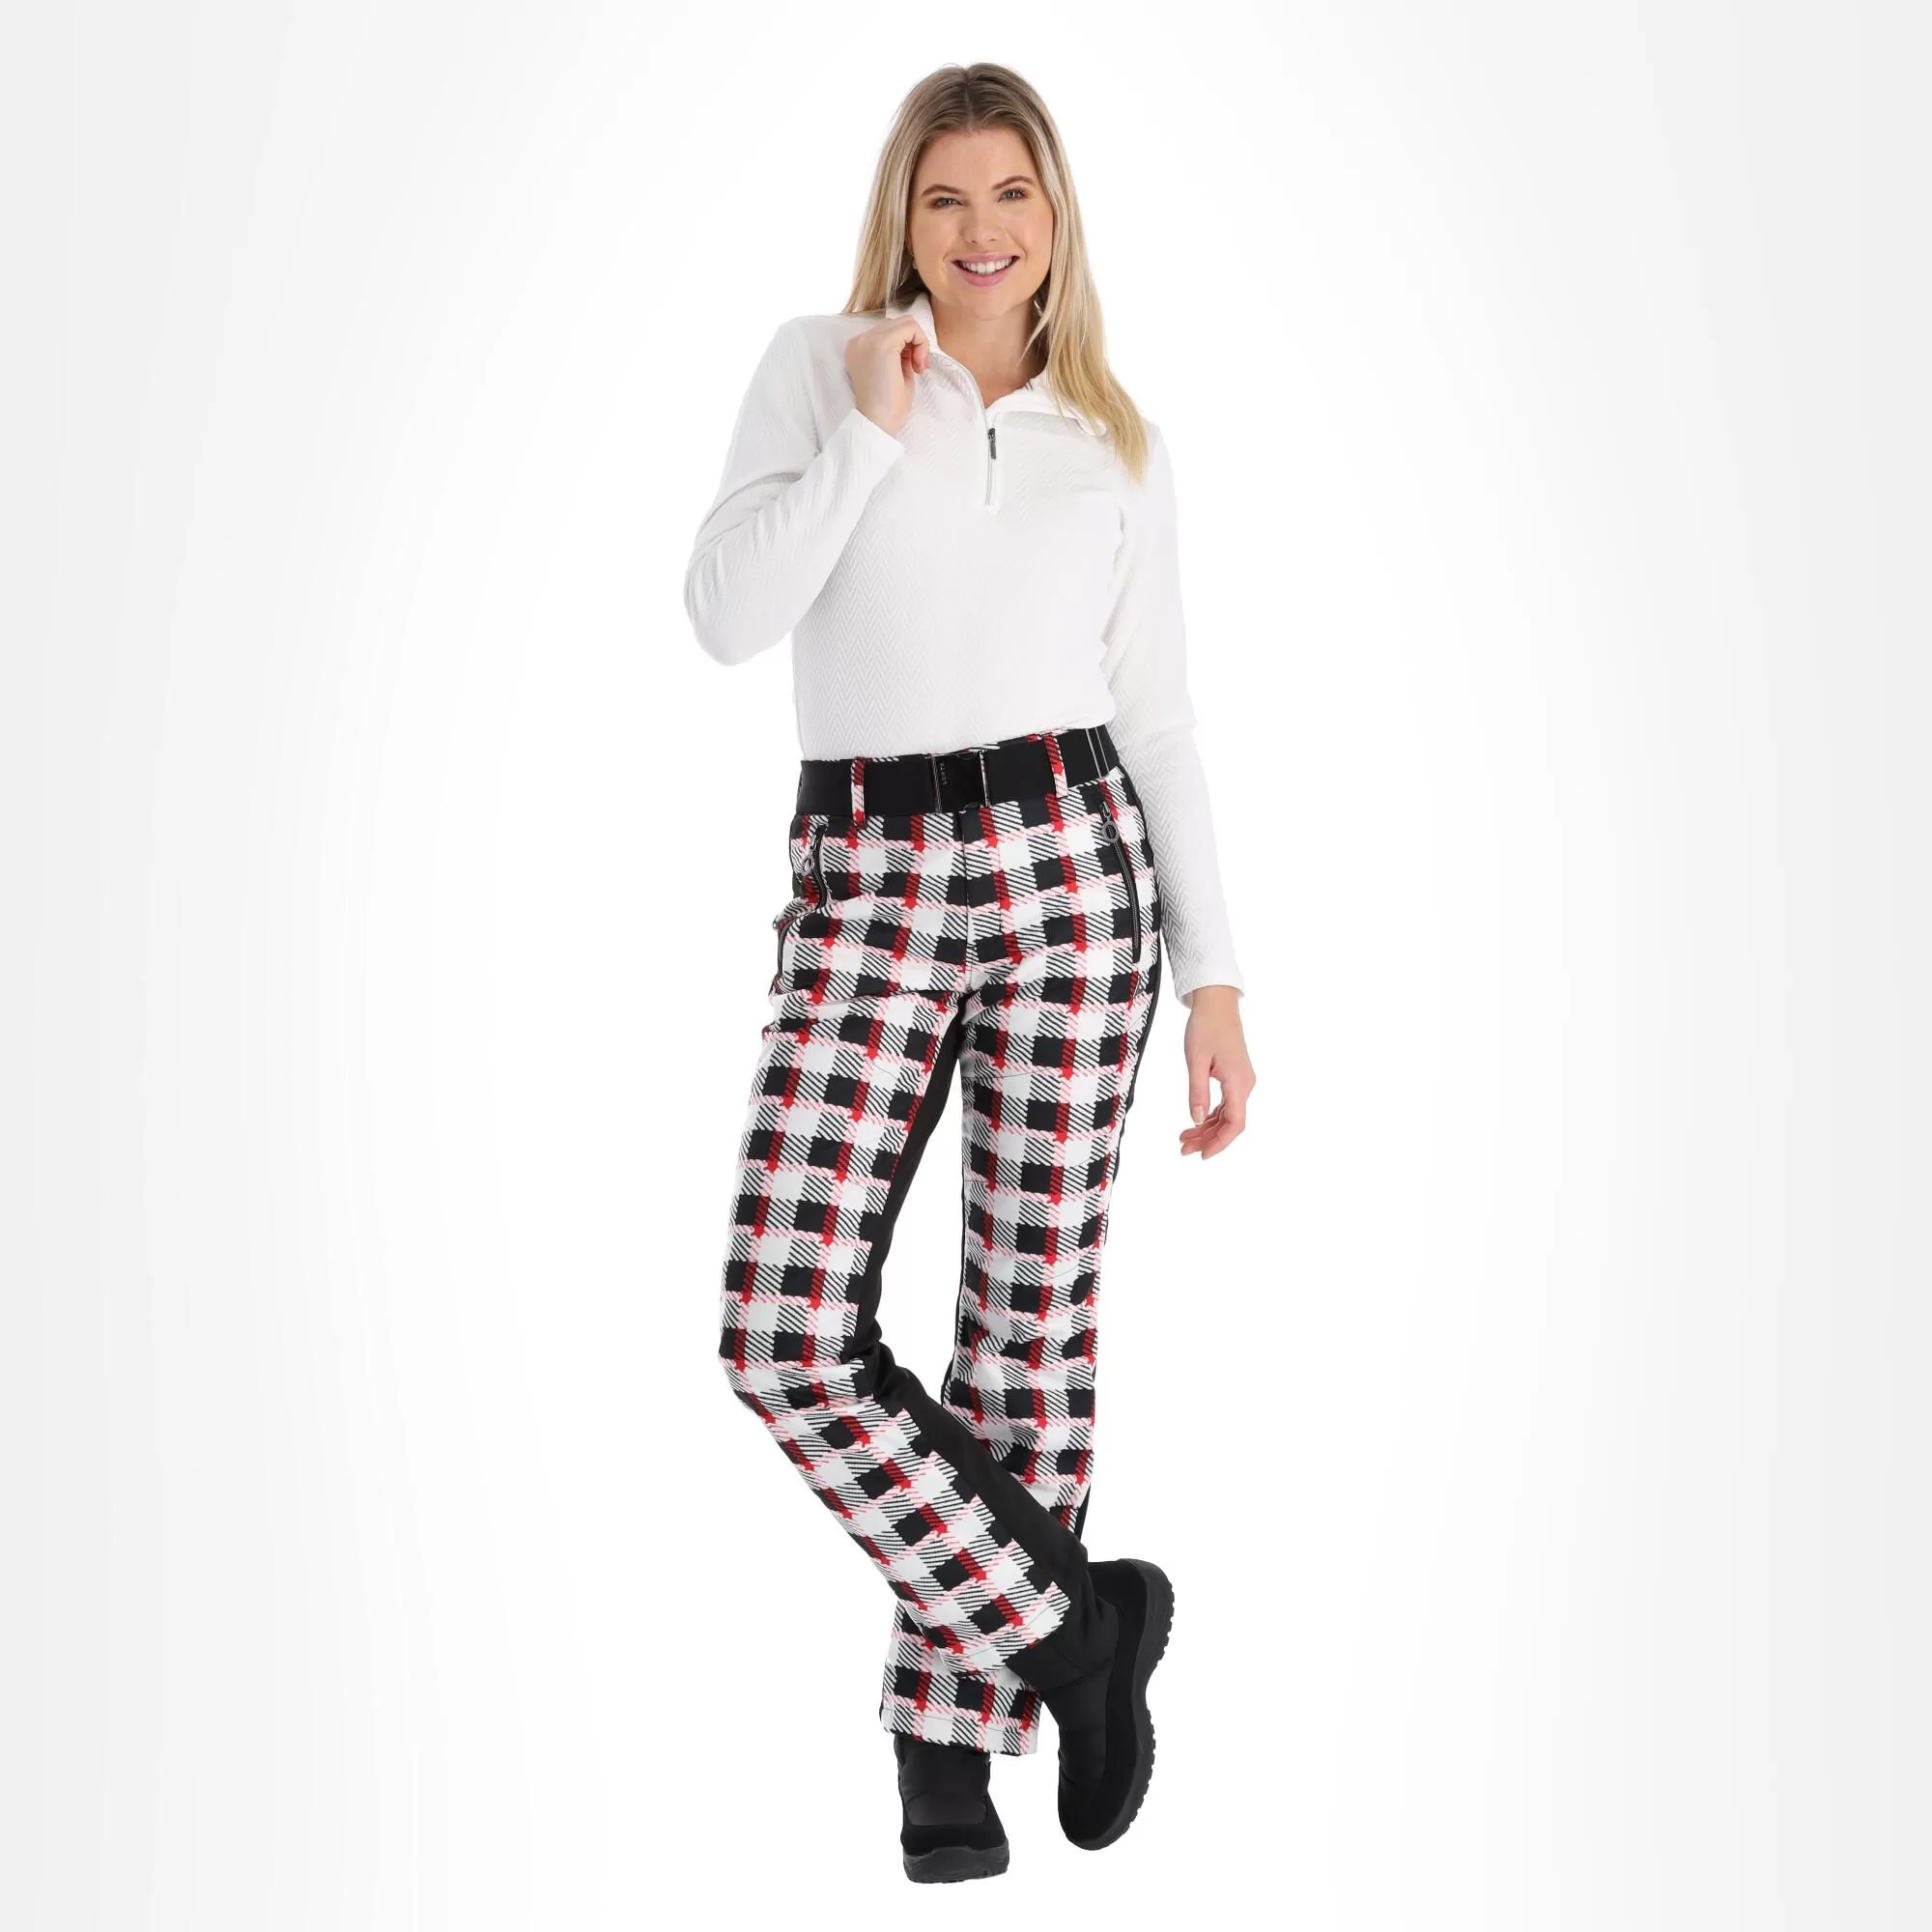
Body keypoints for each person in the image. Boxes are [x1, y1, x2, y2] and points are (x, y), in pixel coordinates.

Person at [685, 62, 1257, 1883]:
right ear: (903, 216)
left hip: (1073, 872)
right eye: (946, 197)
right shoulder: (821, 366)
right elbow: (724, 614)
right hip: (867, 874)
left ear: (1055, 214)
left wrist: (1219, 978)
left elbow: (1160, 719)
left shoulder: (1116, 438)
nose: (982, 229)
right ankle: (1073, 1634)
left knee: (1028, 1319)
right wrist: (866, 434)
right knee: (784, 1333)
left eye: (1013, 194)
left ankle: (950, 1745)